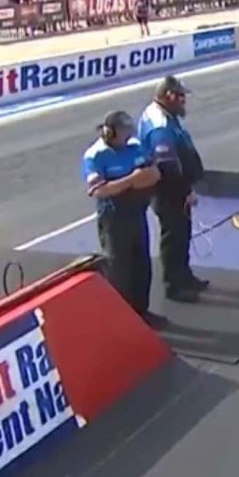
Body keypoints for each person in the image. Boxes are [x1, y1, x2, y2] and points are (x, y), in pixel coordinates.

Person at [82, 110, 167, 328]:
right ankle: (122, 319)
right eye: (124, 131)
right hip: (114, 218)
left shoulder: (135, 146)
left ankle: (142, 312)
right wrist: (132, 180)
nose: (129, 135)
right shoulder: (96, 155)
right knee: (119, 269)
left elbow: (154, 174)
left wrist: (126, 183)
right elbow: (99, 190)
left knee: (141, 264)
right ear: (111, 132)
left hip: (136, 211)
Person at [138, 75, 208, 303]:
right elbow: (167, 166)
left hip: (174, 188)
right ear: (168, 96)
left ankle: (184, 275)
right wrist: (185, 192)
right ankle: (174, 285)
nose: (184, 101)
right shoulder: (159, 125)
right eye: (180, 97)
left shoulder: (166, 115)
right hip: (168, 190)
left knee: (182, 231)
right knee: (174, 234)